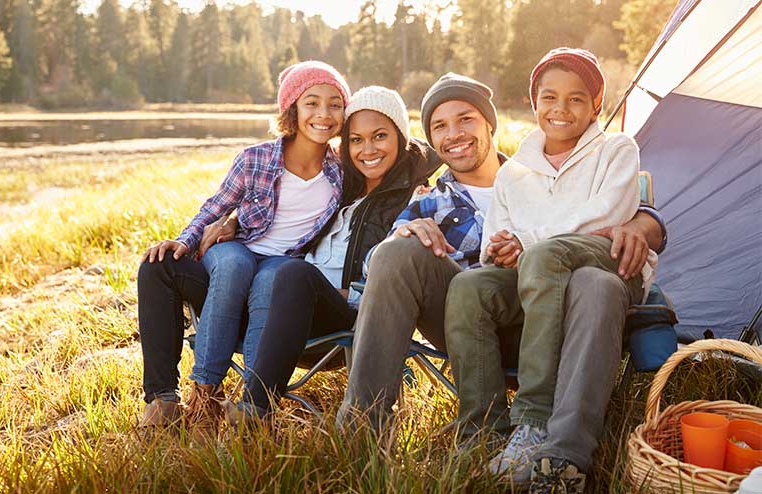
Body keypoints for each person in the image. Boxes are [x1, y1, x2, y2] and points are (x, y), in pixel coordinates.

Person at [335, 71, 667, 445]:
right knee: (398, 252)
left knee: (586, 278)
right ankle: (363, 428)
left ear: (489, 125)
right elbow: (377, 272)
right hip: (471, 329)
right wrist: (403, 234)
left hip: (561, 317)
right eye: (440, 126)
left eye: (465, 119)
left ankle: (554, 441)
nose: (454, 134)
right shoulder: (428, 201)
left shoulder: (538, 170)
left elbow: (607, 208)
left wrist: (645, 220)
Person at [445, 48, 657, 493]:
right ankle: (484, 433)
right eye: (549, 97)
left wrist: (530, 241)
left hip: (608, 259)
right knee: (469, 285)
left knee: (547, 258)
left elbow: (609, 214)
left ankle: (535, 418)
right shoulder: (514, 169)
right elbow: (495, 241)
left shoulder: (616, 148)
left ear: (597, 103)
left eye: (577, 99)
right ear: (534, 101)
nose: (561, 109)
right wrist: (503, 247)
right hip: (536, 272)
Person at [136, 61, 350, 430]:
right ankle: (188, 397)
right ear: (293, 108)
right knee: (166, 265)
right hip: (237, 251)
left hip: (282, 265)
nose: (324, 114)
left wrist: (423, 189)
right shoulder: (256, 158)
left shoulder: (342, 172)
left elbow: (402, 151)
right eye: (312, 102)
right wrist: (186, 240)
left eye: (335, 104)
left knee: (273, 280)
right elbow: (214, 208)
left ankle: (254, 405)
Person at [222, 86, 442, 422]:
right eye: (355, 139)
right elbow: (284, 212)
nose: (367, 149)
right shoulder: (341, 185)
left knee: (293, 276)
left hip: (350, 313)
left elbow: (401, 281)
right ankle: (184, 397)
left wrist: (345, 292)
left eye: (380, 136)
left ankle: (255, 410)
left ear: (400, 136)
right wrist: (232, 221)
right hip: (289, 304)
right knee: (203, 273)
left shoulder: (416, 197)